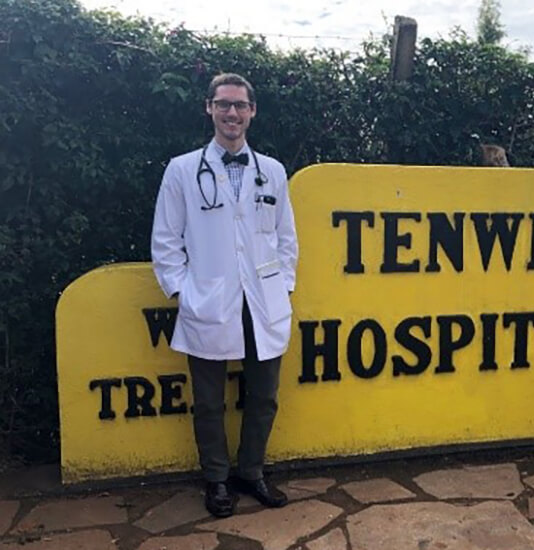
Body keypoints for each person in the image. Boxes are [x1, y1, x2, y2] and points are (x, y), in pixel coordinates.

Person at [151, 73, 298, 517]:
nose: (232, 113)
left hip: (262, 303)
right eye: (223, 104)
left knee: (264, 396)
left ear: (252, 112)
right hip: (209, 303)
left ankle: (251, 472)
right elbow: (165, 239)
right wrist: (183, 291)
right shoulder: (182, 169)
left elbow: (285, 238)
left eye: (240, 105)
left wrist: (283, 286)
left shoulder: (271, 171)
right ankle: (216, 479)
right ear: (209, 108)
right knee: (210, 402)